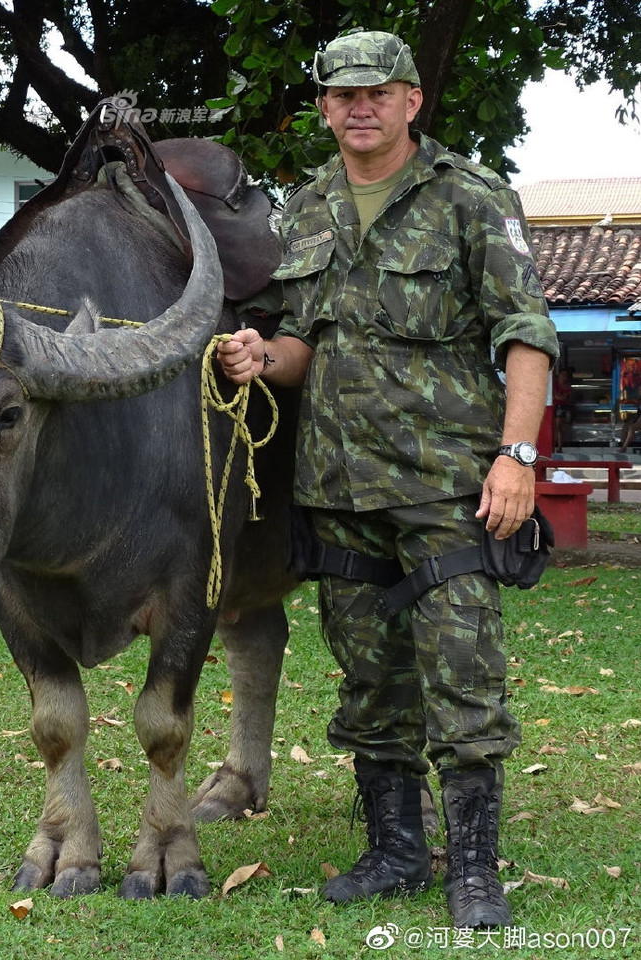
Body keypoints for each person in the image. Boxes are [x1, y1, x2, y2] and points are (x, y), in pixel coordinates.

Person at [217, 30, 559, 928]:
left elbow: (525, 334)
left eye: (380, 91)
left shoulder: (470, 198)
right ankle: (397, 850)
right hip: (338, 490)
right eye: (343, 94)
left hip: (451, 486)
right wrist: (261, 354)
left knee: (463, 677)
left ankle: (475, 869)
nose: (360, 106)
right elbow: (303, 344)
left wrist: (518, 457)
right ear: (325, 108)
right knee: (369, 682)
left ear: (413, 100)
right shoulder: (304, 211)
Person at [552, 366, 574, 452]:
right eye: (562, 375)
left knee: (558, 426)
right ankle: (554, 444)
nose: (564, 377)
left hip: (561, 407)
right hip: (556, 406)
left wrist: (559, 397)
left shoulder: (567, 386)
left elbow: (562, 397)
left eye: (565, 375)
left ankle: (559, 446)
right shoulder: (555, 384)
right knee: (554, 426)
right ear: (559, 375)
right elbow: (558, 396)